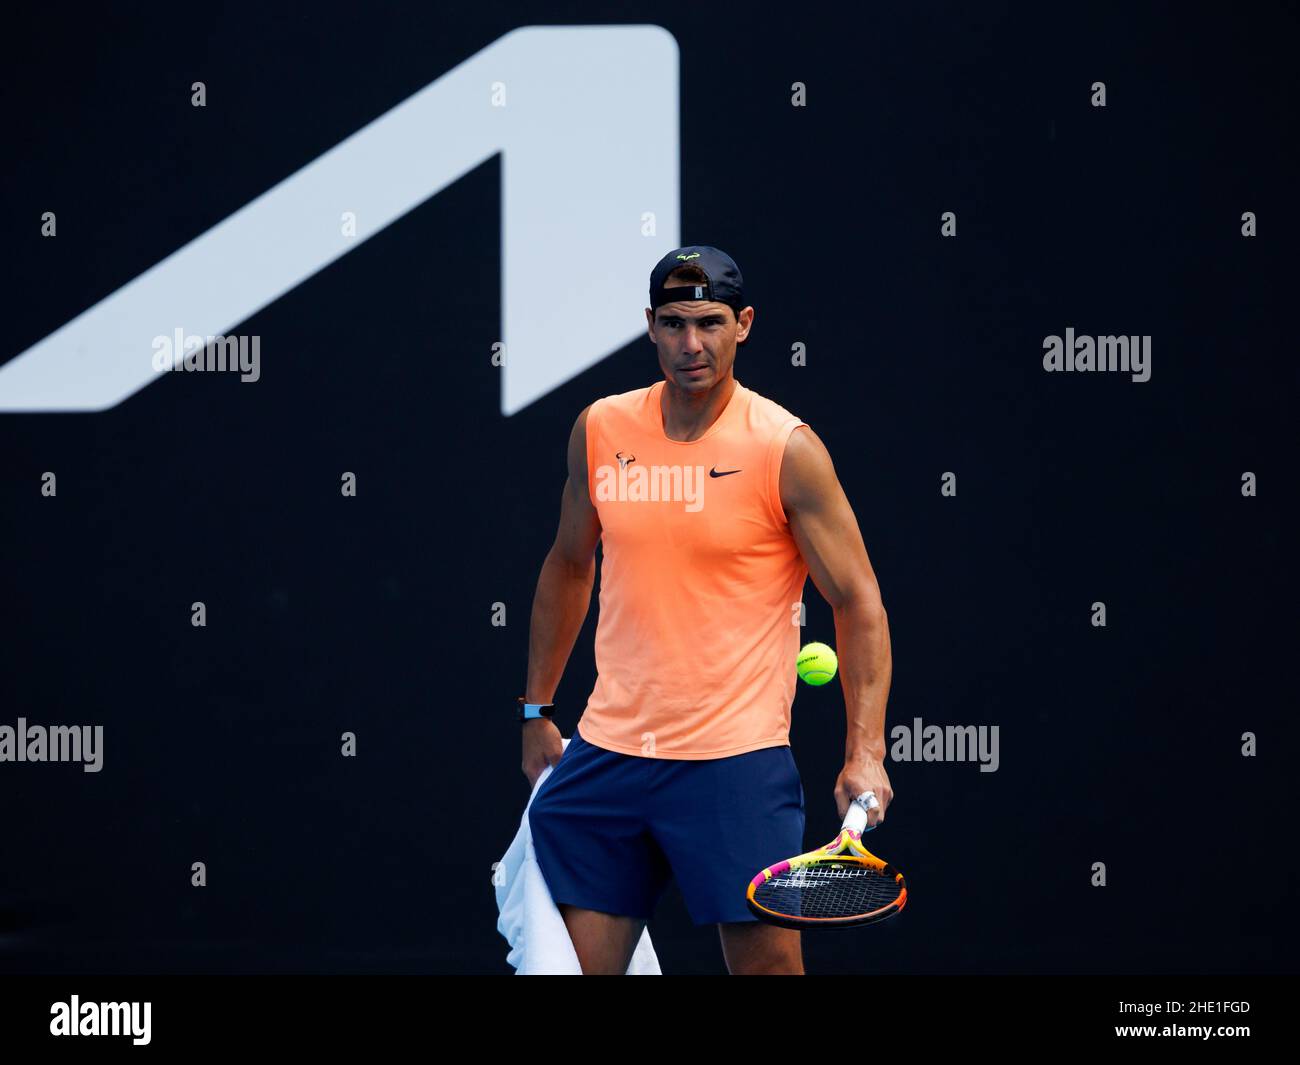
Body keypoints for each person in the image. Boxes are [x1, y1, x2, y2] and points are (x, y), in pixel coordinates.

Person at [517, 245, 892, 975]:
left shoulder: (785, 449)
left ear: (743, 324)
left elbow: (858, 600)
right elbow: (569, 564)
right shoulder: (600, 428)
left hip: (735, 765)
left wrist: (866, 750)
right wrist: (537, 709)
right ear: (650, 326)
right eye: (674, 324)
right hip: (608, 757)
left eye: (711, 323)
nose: (692, 344)